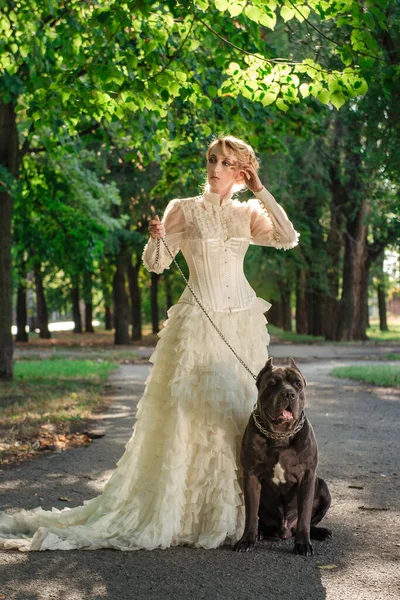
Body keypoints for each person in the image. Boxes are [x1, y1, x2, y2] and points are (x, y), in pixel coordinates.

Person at [0, 135, 299, 552]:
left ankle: (242, 515)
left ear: (241, 171)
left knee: (235, 418)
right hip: (198, 324)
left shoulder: (248, 213)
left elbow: (287, 236)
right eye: (211, 159)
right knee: (190, 418)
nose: (214, 168)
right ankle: (185, 513)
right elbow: (157, 264)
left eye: (226, 163)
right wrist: (157, 237)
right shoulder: (183, 208)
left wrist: (260, 189)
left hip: (243, 325)